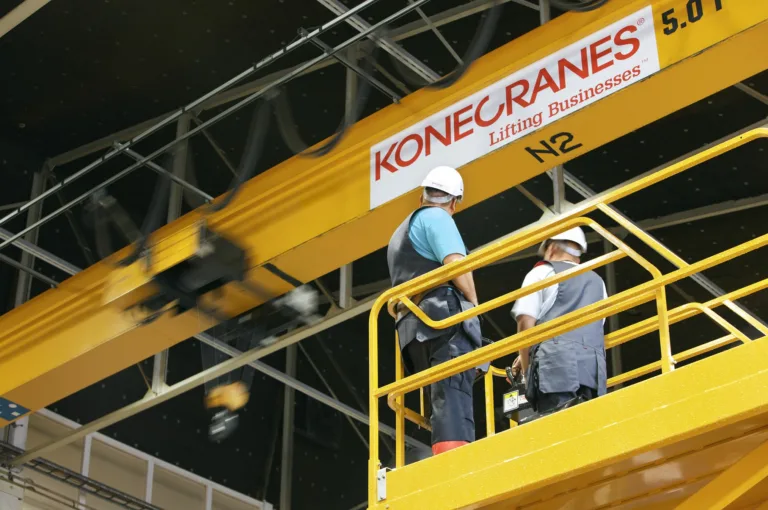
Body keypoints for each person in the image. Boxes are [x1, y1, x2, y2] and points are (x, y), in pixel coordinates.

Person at [386, 165, 484, 456]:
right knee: (453, 392)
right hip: (439, 318)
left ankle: (444, 452)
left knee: (441, 398)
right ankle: (456, 462)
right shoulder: (437, 217)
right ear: (453, 202)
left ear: (422, 196)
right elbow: (456, 264)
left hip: (411, 329)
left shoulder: (398, 235)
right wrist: (475, 305)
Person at [510, 227, 607, 414]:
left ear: (552, 247)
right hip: (592, 371)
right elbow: (596, 326)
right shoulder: (598, 282)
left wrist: (526, 367)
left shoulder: (541, 273)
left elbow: (525, 324)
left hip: (555, 368)